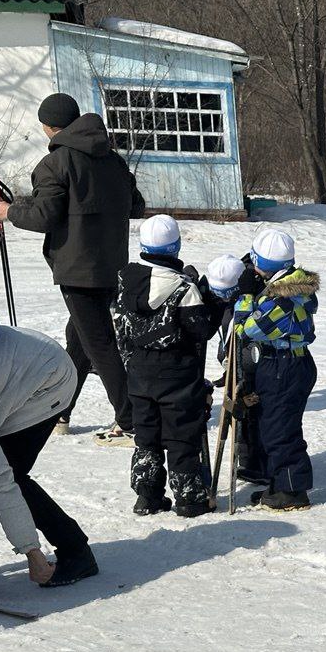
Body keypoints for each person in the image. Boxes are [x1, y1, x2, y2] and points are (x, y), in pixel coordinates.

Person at [0, 92, 146, 446]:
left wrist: (8, 212)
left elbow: (46, 216)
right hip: (112, 266)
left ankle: (131, 419)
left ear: (48, 126)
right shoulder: (113, 160)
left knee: (100, 343)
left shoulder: (55, 164)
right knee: (80, 339)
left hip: (78, 270)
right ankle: (61, 410)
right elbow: (135, 205)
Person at [0, 325, 99, 590]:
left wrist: (31, 551)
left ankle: (75, 551)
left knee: (10, 470)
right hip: (13, 366)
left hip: (48, 378)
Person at [115, 216, 224, 518]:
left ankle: (147, 496)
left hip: (139, 372)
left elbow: (121, 326)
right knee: (180, 436)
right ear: (175, 246)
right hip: (177, 375)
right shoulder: (183, 289)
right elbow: (200, 331)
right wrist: (213, 303)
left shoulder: (126, 281)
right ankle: (189, 499)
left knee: (146, 435)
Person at [230, 229, 319, 511]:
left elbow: (246, 329)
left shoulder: (282, 299)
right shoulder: (289, 286)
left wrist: (245, 297)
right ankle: (280, 481)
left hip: (284, 365)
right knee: (274, 424)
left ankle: (292, 490)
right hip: (289, 362)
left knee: (280, 429)